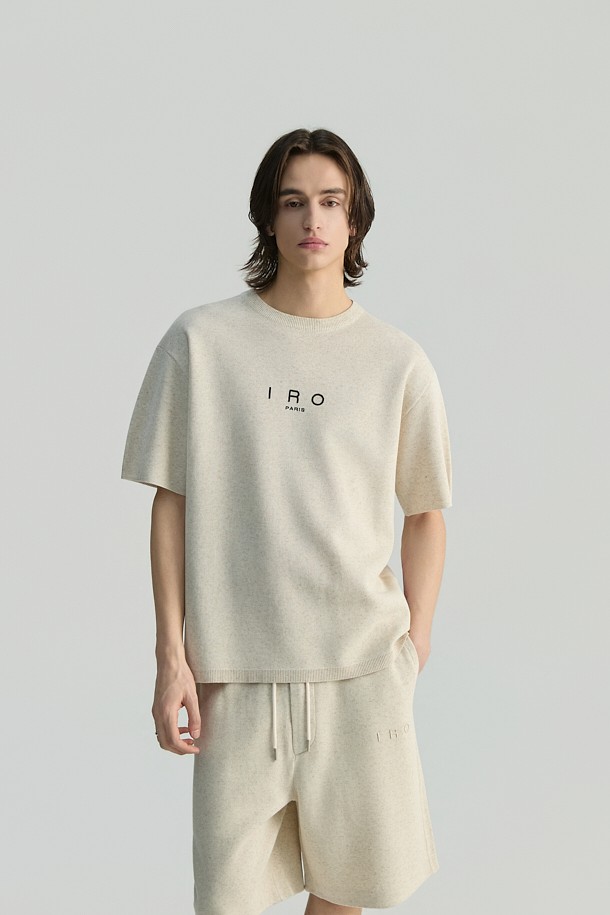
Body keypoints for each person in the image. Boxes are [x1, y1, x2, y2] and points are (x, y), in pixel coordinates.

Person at [121, 127, 452, 915]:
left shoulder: (397, 361)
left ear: (355, 219)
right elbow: (171, 501)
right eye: (294, 201)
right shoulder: (202, 343)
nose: (313, 219)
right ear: (268, 219)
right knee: (228, 900)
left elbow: (426, 511)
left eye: (331, 202)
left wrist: (414, 645)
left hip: (361, 671)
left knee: (346, 895)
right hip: (236, 677)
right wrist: (171, 655)